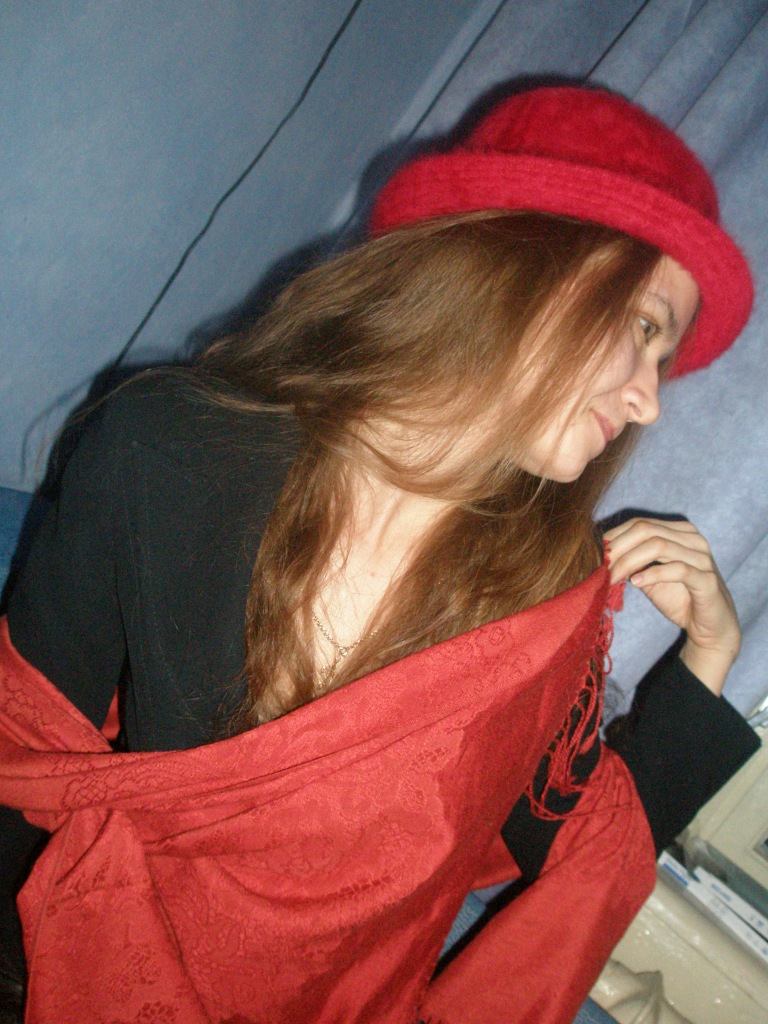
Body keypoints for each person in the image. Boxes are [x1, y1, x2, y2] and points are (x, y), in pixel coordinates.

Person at [0, 85, 760, 1024]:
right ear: (514, 255)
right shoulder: (168, 447)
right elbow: (27, 747)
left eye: (661, 359)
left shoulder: (540, 593)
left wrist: (710, 658)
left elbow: (563, 840)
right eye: (644, 328)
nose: (648, 400)